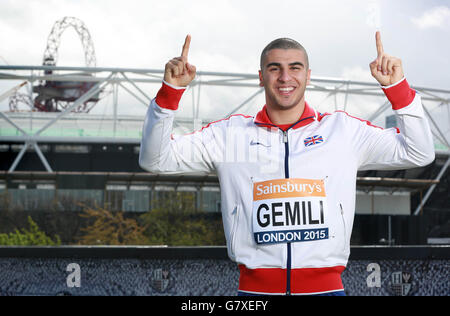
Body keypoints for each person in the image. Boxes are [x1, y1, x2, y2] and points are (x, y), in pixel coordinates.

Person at [139, 32, 435, 295]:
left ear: (308, 76)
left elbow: (419, 153)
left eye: (295, 68)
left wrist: (397, 87)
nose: (285, 77)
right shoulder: (230, 136)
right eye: (274, 68)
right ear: (261, 76)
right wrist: (169, 93)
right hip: (255, 294)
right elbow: (156, 159)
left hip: (327, 291)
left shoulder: (342, 132)